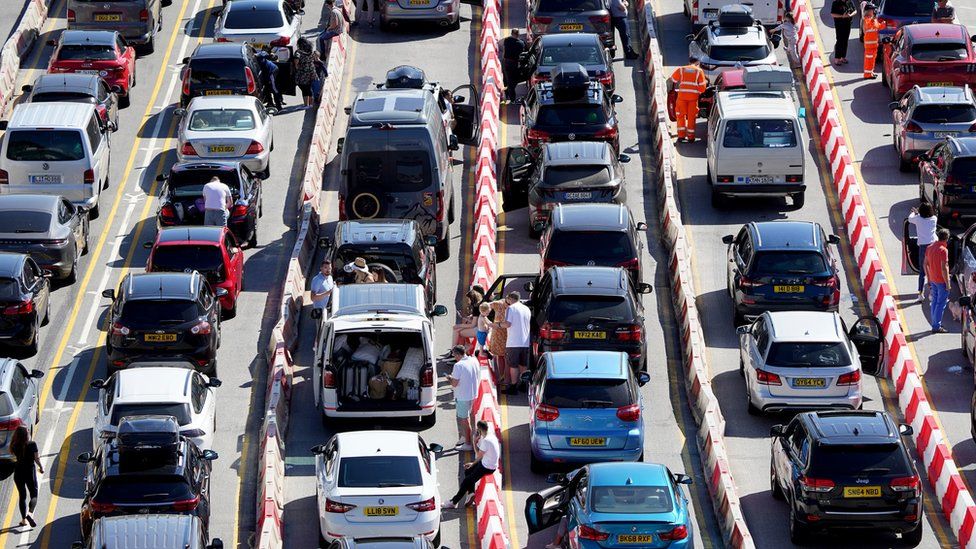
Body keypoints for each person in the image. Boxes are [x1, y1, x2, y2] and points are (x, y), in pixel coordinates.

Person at [442, 421, 500, 509]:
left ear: (480, 430)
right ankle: (471, 493)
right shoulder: (491, 436)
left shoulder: (486, 441)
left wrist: (474, 441)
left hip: (487, 467)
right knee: (468, 470)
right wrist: (472, 465)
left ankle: (453, 502)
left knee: (466, 481)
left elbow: (478, 455)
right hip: (487, 463)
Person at [447, 345, 481, 451]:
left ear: (457, 354)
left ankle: (468, 443)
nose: (454, 357)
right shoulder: (474, 360)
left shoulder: (458, 365)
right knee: (470, 418)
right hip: (473, 394)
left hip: (463, 396)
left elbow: (455, 383)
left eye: (454, 355)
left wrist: (449, 378)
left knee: (464, 419)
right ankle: (465, 437)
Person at [497, 291, 531, 395]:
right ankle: (524, 385)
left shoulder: (511, 308)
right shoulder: (526, 309)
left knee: (513, 365)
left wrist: (497, 325)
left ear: (510, 299)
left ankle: (513, 386)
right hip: (525, 342)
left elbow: (507, 324)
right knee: (523, 364)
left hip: (513, 342)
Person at [668, 57, 707, 143]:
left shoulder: (682, 69)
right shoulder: (699, 71)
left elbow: (673, 79)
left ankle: (681, 136)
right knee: (691, 117)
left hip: (682, 97)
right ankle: (691, 137)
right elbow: (703, 88)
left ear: (689, 62)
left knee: (680, 116)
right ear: (697, 63)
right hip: (693, 98)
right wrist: (697, 90)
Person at [10, 426, 41, 528]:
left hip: (18, 472)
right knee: (34, 495)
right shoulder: (32, 444)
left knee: (22, 496)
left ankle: (23, 520)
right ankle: (30, 514)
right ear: (26, 435)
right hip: (29, 471)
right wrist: (41, 467)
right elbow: (36, 458)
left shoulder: (14, 445)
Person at [908, 203, 938, 301]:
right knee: (933, 270)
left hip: (923, 248)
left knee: (922, 272)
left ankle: (920, 294)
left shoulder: (918, 219)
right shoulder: (934, 219)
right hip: (934, 247)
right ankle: (933, 293)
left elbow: (909, 218)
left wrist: (914, 213)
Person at [925, 227, 951, 333]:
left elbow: (925, 263)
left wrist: (929, 278)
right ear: (947, 238)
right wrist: (948, 283)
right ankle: (936, 326)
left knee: (935, 302)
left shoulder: (930, 247)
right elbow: (944, 268)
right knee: (941, 304)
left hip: (933, 279)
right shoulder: (943, 250)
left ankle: (935, 323)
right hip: (941, 281)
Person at [500, 29, 526, 103]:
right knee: (513, 81)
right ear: (518, 34)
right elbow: (521, 54)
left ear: (511, 33)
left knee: (506, 78)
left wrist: (503, 60)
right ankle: (512, 98)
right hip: (514, 63)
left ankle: (507, 94)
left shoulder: (507, 40)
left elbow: (504, 50)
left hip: (506, 62)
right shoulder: (521, 43)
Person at [861, 3, 886, 79]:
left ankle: (870, 72)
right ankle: (867, 74)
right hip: (869, 45)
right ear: (869, 11)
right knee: (869, 60)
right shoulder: (866, 19)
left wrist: (883, 24)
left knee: (872, 60)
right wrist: (874, 20)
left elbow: (878, 27)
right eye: (873, 9)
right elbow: (870, 27)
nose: (874, 11)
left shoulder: (873, 19)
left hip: (874, 45)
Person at [488, 299, 509, 389]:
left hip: (507, 334)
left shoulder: (512, 307)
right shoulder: (499, 304)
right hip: (501, 334)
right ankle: (502, 376)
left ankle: (505, 377)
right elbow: (486, 306)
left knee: (505, 357)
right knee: (501, 356)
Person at [293, 38, 318, 108]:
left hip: (303, 73)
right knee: (309, 87)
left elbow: (296, 62)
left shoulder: (298, 52)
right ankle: (310, 104)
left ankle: (306, 104)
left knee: (304, 88)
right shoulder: (310, 50)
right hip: (311, 71)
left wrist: (297, 68)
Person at [318, 0, 345, 65]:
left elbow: (334, 24)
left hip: (335, 31)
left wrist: (328, 29)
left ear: (327, 5)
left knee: (321, 38)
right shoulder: (337, 9)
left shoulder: (333, 12)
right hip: (339, 29)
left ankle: (323, 56)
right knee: (321, 34)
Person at [830, 0, 855, 65]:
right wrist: (842, 16)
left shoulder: (849, 2)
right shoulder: (836, 3)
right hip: (839, 25)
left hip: (848, 24)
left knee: (845, 40)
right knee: (840, 40)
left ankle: (843, 57)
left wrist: (850, 15)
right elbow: (832, 14)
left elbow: (855, 11)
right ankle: (837, 58)